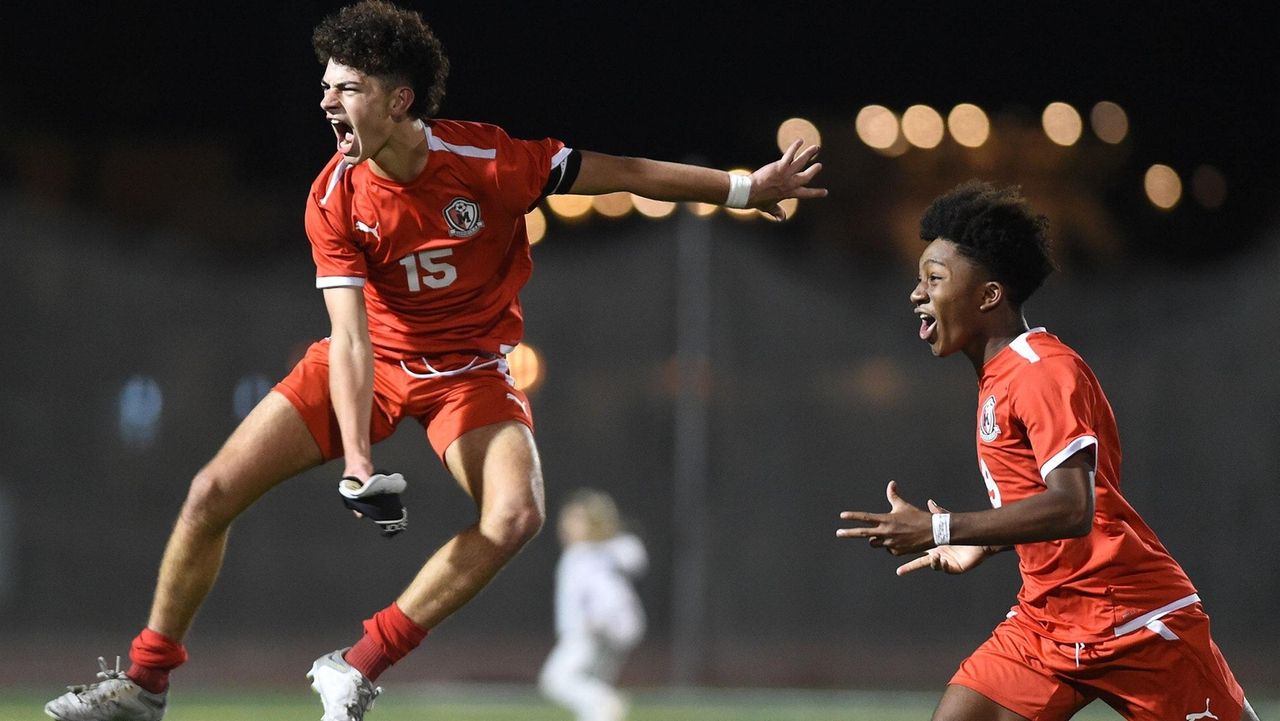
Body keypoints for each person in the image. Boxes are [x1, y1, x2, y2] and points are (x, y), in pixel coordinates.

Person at [43, 2, 826, 720]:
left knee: (517, 515)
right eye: (324, 86)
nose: (325, 101)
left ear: (399, 100)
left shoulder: (486, 160)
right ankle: (144, 686)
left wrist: (742, 186)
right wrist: (356, 461)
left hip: (470, 373)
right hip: (374, 361)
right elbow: (349, 341)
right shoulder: (335, 196)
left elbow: (619, 169)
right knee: (210, 489)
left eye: (345, 87)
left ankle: (358, 663)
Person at [835, 181, 1258, 721]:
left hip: (1130, 619)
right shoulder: (999, 376)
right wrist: (985, 547)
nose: (917, 293)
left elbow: (1074, 508)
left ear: (989, 295)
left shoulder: (1042, 371)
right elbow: (1046, 506)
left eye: (934, 279)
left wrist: (942, 530)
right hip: (1048, 619)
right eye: (919, 280)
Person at [538, 489, 647, 721]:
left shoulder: (581, 557)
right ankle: (601, 707)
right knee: (594, 686)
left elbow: (605, 592)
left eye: (577, 520)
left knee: (556, 680)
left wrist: (599, 620)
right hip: (614, 631)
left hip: (590, 631)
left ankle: (606, 702)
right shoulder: (606, 553)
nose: (567, 526)